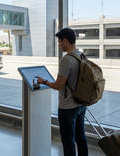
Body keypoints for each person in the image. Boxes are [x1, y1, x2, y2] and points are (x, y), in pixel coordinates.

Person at [36, 28, 88, 156]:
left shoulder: (66, 60)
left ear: (65, 41)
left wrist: (44, 82)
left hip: (68, 107)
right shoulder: (81, 55)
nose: (59, 45)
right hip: (81, 104)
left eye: (59, 42)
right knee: (81, 137)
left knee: (68, 140)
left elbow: (59, 85)